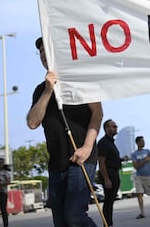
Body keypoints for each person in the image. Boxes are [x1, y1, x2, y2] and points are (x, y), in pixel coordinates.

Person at [27, 36, 102, 227]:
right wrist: (47, 91)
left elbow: (98, 114)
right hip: (56, 164)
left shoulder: (81, 80)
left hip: (82, 159)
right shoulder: (40, 91)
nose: (44, 54)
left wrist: (87, 147)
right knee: (61, 222)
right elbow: (33, 122)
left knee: (75, 216)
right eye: (41, 51)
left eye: (47, 50)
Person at [97, 119, 121, 227]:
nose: (116, 128)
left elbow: (112, 159)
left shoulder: (111, 142)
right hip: (109, 173)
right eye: (113, 126)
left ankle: (108, 223)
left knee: (110, 201)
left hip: (114, 172)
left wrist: (121, 160)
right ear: (107, 129)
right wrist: (106, 179)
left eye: (116, 126)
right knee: (108, 201)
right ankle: (107, 224)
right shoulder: (103, 143)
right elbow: (101, 162)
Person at [131, 136, 150, 219]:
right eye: (142, 141)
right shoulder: (134, 154)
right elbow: (136, 166)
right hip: (139, 176)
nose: (143, 143)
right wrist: (144, 161)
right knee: (139, 193)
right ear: (137, 143)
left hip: (148, 175)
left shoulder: (147, 151)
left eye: (144, 141)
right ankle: (142, 212)